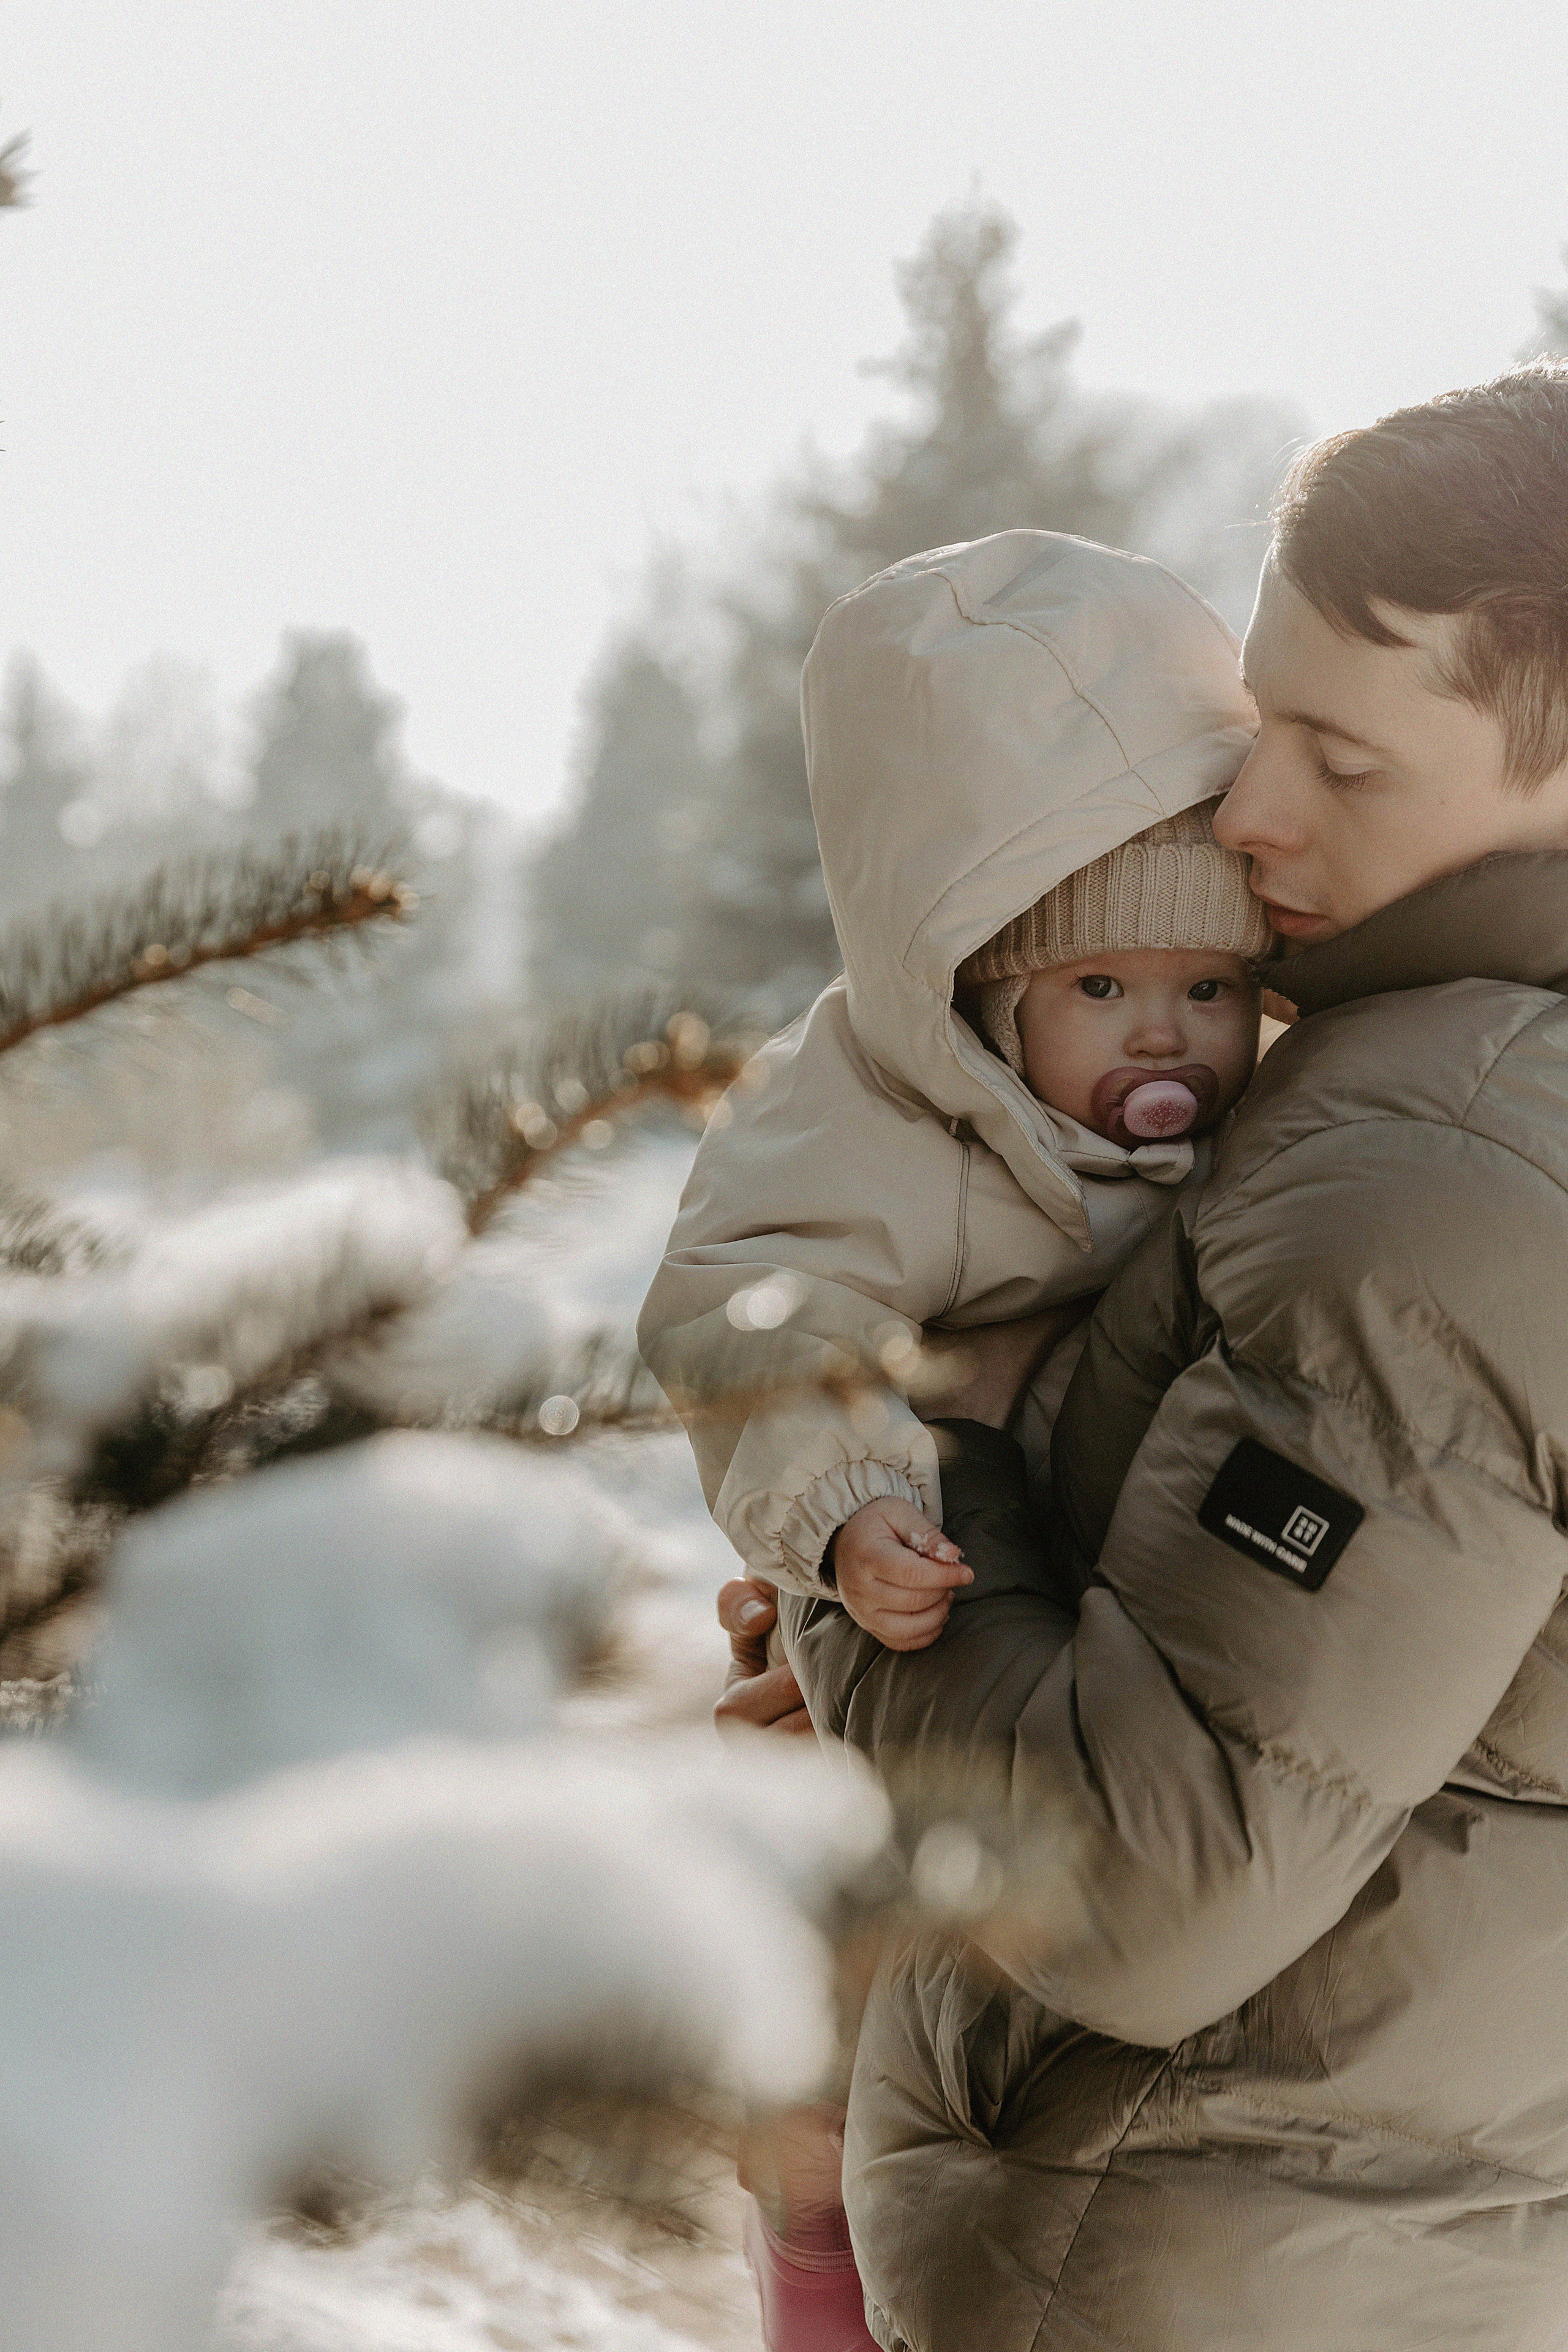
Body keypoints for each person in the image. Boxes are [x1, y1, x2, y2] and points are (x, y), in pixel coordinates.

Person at [725, 360, 1568, 2350]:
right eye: (1255, 722)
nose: (1250, 814)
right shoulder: (1436, 1099)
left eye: (1344, 765)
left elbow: (1133, 1885)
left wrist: (891, 1493)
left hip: (1189, 2248)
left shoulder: (1429, 1178)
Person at [638, 530, 1269, 2349]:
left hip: (1120, 1631)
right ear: (980, 980)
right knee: (842, 1998)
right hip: (906, 1587)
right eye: (1101, 992)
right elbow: (754, 1302)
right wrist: (839, 1508)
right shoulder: (870, 1115)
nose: (1169, 1036)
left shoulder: (1281, 1117)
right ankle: (820, 2293)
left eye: (1210, 988)